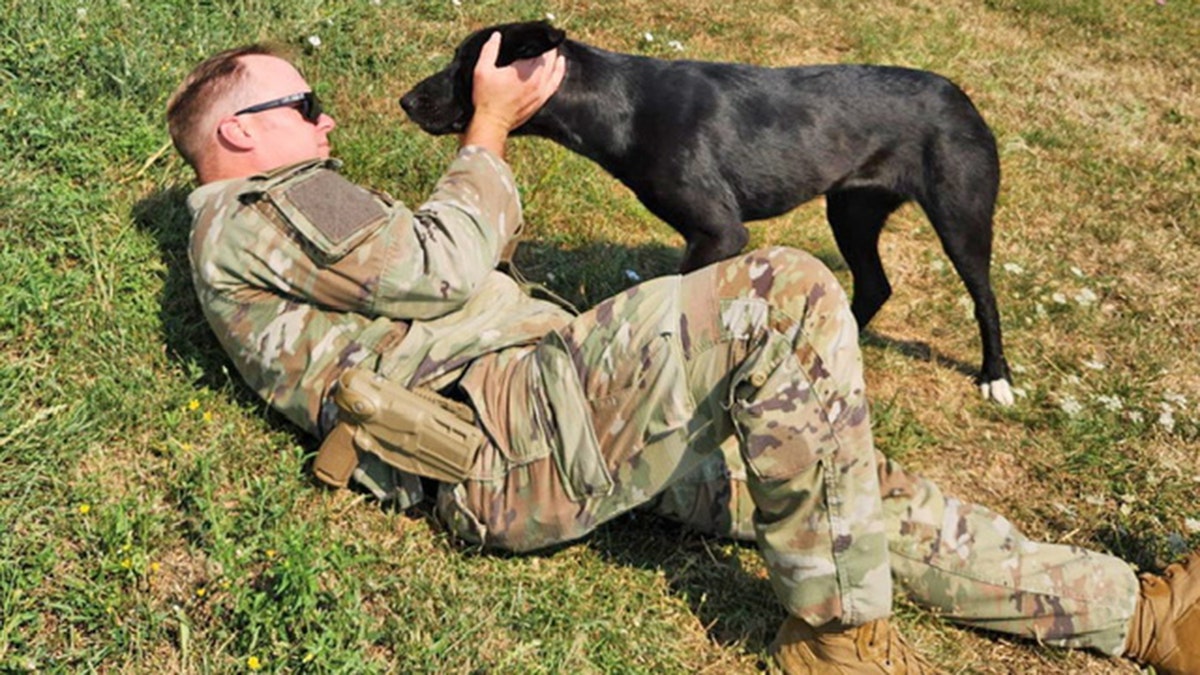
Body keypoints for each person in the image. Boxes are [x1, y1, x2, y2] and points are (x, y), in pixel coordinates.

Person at [165, 38, 1198, 674]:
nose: (327, 116)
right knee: (784, 293)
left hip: (552, 424)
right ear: (242, 135)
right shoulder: (258, 206)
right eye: (303, 107)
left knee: (838, 492)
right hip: (508, 437)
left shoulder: (269, 225)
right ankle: (837, 645)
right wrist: (484, 134)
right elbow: (436, 271)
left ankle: (1145, 618)